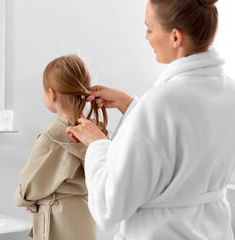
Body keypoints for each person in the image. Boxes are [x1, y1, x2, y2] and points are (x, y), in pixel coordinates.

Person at [66, 0, 235, 239]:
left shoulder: (160, 104)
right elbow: (185, 140)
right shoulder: (228, 90)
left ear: (175, 37)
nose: (146, 37)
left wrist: (97, 144)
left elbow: (109, 207)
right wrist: (131, 106)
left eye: (149, 29)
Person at [14, 55, 108, 240]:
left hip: (59, 218)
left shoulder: (53, 136)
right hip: (84, 213)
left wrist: (24, 197)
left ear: (52, 93)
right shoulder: (94, 131)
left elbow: (29, 183)